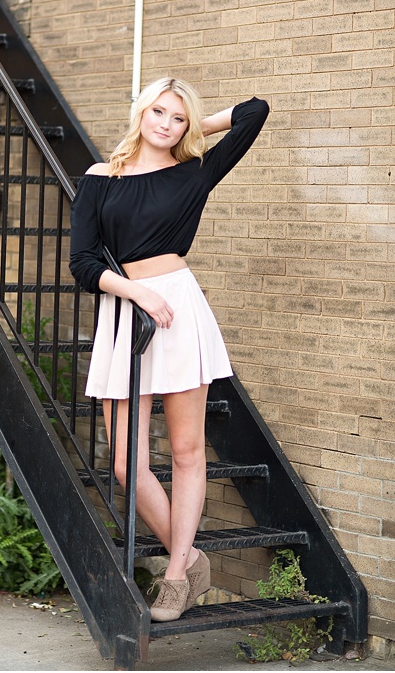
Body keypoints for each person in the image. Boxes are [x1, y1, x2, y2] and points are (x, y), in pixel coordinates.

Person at [69, 77, 269, 622]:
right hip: (125, 311)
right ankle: (192, 556)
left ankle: (177, 575)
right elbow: (83, 263)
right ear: (139, 111)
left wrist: (188, 132)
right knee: (125, 463)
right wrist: (133, 291)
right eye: (157, 111)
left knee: (186, 452)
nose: (165, 122)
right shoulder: (98, 179)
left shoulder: (195, 170)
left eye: (176, 117)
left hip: (180, 310)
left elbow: (255, 111)